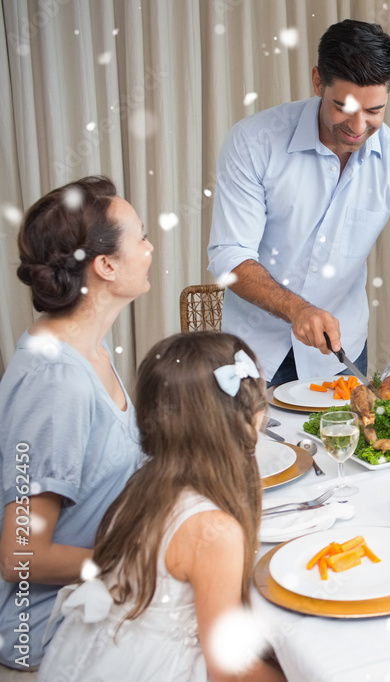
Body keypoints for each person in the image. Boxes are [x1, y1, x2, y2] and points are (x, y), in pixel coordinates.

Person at [208, 19, 390, 385]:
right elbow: (229, 255)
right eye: (344, 106)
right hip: (254, 356)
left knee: (344, 444)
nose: (358, 126)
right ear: (317, 81)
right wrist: (297, 309)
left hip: (342, 357)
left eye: (374, 110)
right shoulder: (253, 142)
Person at [38, 332, 286, 681]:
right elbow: (229, 670)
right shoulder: (213, 531)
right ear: (245, 419)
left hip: (107, 651)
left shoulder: (143, 483)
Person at [0, 176, 152, 668]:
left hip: (100, 589)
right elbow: (20, 557)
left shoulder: (86, 346)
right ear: (106, 266)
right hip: (45, 625)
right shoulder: (56, 382)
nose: (150, 249)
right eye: (142, 237)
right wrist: (143, 563)